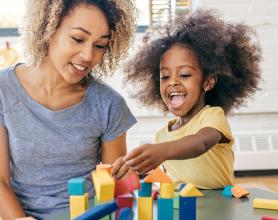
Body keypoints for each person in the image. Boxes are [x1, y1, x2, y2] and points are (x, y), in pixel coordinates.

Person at [0, 0, 137, 219]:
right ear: (49, 28)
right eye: (78, 39)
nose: (88, 55)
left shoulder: (109, 104)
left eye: (99, 45)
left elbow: (111, 184)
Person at [112, 9, 262, 189]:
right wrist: (133, 165)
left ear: (208, 82)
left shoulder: (212, 116)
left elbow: (201, 143)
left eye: (184, 74)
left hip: (218, 208)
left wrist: (162, 150)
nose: (172, 82)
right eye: (165, 77)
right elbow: (167, 175)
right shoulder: (162, 136)